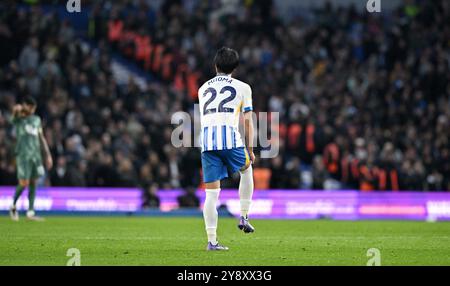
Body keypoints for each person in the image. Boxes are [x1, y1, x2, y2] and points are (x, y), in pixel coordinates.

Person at [198, 47, 255, 251]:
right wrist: (250, 149)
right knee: (247, 170)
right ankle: (244, 215)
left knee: (211, 195)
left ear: (215, 65)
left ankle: (212, 241)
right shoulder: (243, 87)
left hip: (207, 143)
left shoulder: (203, 88)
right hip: (230, 140)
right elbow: (247, 121)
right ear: (235, 68)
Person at [9, 96, 53, 221]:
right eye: (30, 107)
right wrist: (18, 109)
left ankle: (30, 212)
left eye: (34, 108)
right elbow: (13, 116)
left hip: (36, 155)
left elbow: (41, 137)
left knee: (34, 182)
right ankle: (12, 205)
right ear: (25, 105)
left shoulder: (36, 120)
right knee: (24, 183)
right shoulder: (19, 118)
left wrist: (47, 154)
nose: (32, 110)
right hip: (23, 155)